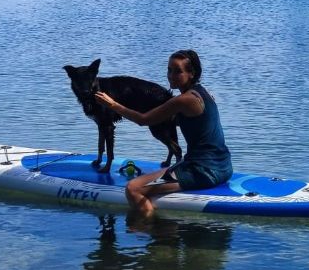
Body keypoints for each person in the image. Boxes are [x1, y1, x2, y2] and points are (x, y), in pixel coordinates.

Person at [94, 49, 232, 217]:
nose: (171, 75)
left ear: (192, 73)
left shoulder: (184, 100)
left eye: (177, 71)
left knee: (133, 189)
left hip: (202, 170)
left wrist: (112, 105)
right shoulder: (205, 93)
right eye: (169, 70)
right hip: (224, 166)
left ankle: (157, 233)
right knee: (159, 176)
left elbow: (143, 120)